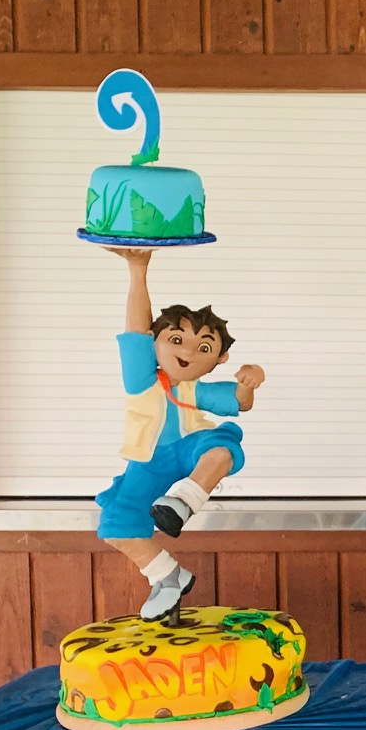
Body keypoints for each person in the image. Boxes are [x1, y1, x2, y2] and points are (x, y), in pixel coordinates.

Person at [96, 249, 265, 619]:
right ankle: (167, 576)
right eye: (176, 340)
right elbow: (135, 329)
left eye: (204, 347)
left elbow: (239, 401)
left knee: (221, 449)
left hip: (189, 447)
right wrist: (138, 271)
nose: (188, 351)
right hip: (147, 460)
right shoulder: (142, 379)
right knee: (116, 524)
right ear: (155, 342)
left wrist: (250, 381)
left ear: (219, 359)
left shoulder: (195, 391)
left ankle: (184, 501)